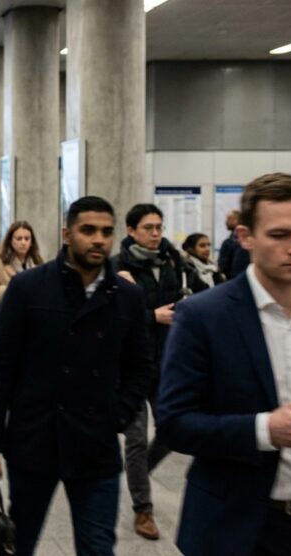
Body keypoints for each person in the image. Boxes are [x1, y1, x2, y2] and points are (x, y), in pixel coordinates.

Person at [0, 196, 154, 556]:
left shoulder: (128, 297)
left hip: (97, 447)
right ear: (67, 234)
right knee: (19, 541)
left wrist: (117, 415)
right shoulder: (28, 288)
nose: (99, 239)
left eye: (106, 231)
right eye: (88, 230)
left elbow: (141, 367)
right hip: (34, 442)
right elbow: (1, 370)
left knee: (97, 546)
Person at [157, 173, 291, 556]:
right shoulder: (204, 316)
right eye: (280, 235)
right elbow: (175, 423)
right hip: (237, 528)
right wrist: (263, 429)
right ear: (245, 237)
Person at [112, 203, 208, 539]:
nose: (156, 233)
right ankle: (143, 509)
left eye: (159, 227)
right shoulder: (116, 268)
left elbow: (204, 296)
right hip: (132, 366)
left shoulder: (174, 263)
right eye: (149, 228)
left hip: (168, 362)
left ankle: (137, 471)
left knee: (172, 430)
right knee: (136, 438)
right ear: (132, 231)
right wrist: (151, 316)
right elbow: (105, 318)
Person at [0, 220, 44, 303]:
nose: (23, 242)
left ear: (31, 242)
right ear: (10, 241)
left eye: (27, 239)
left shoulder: (38, 262)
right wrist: (13, 288)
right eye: (19, 239)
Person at [218, 208, 250, 279]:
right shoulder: (249, 238)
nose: (226, 222)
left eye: (229, 219)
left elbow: (223, 266)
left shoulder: (230, 242)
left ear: (239, 220)